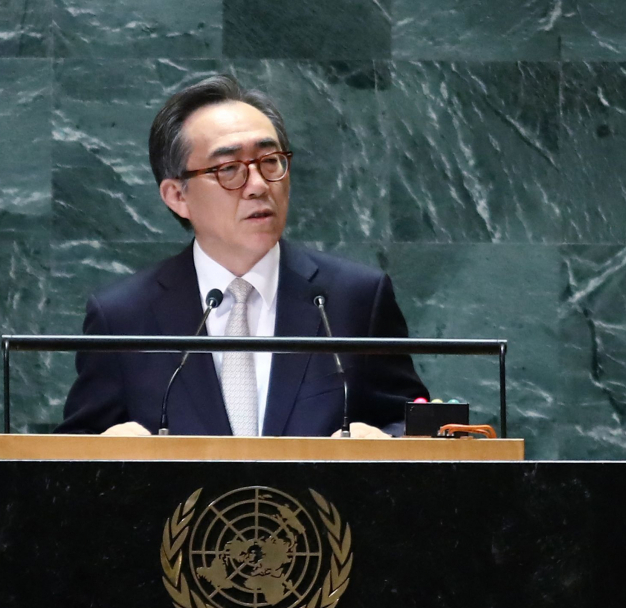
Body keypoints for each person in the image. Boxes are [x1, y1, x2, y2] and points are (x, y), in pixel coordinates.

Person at [57, 74, 427, 438]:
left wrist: (387, 441)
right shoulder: (123, 316)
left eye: (270, 161)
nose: (258, 185)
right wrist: (105, 453)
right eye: (229, 169)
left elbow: (411, 423)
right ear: (177, 196)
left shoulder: (355, 298)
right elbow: (71, 450)